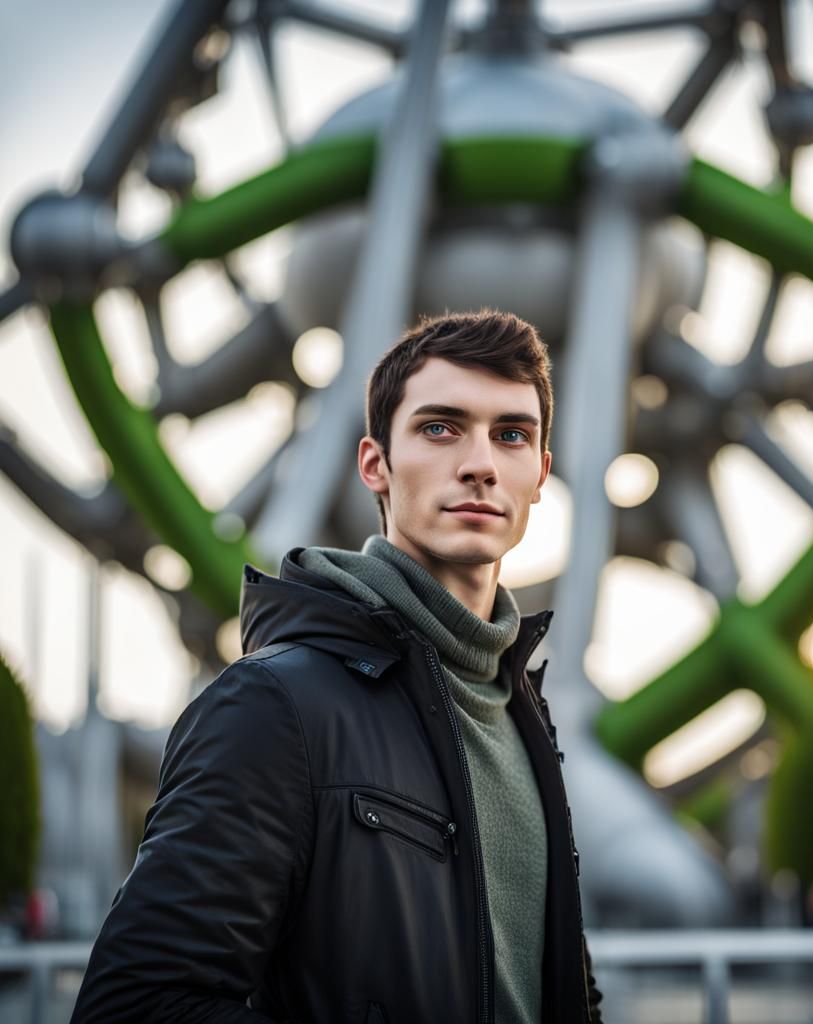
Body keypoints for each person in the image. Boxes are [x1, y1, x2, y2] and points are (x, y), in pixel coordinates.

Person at [71, 310, 603, 1023]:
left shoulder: (523, 716)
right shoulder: (272, 706)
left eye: (511, 435)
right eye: (440, 428)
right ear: (374, 464)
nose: (479, 463)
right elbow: (135, 1007)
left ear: (539, 475)